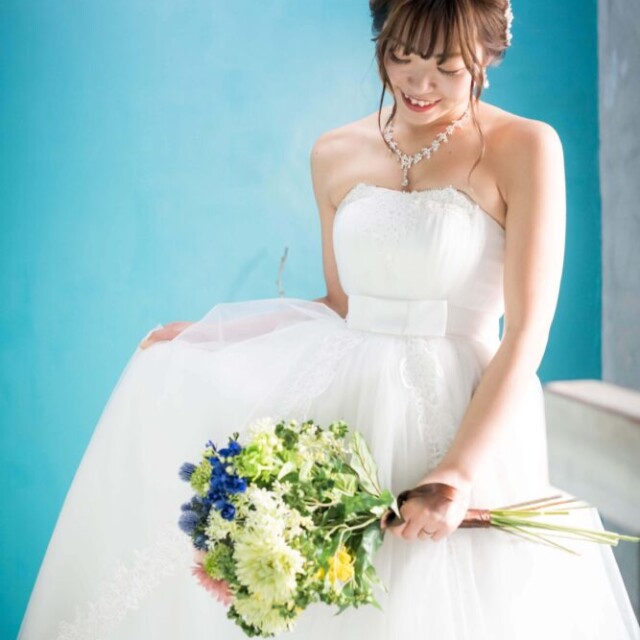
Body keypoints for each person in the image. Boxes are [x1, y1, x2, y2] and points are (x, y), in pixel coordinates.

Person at [17, 1, 640, 638]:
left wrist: (457, 473)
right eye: (400, 56)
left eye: (446, 67)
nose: (418, 83)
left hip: (466, 416)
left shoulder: (525, 146)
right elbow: (342, 305)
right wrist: (214, 335)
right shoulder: (335, 151)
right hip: (349, 415)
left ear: (486, 55)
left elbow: (528, 331)